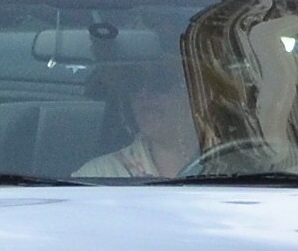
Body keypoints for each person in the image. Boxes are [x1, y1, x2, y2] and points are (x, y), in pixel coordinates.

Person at [74, 66, 202, 179]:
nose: (144, 94)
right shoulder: (96, 176)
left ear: (197, 96)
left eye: (161, 82)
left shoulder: (221, 168)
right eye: (134, 83)